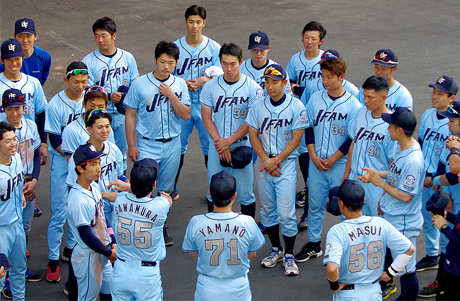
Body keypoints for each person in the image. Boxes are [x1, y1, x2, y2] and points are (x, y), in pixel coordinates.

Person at [294, 57, 361, 262]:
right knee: (314, 204)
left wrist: (332, 159)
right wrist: (312, 154)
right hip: (317, 163)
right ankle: (314, 243)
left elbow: (352, 138)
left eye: (329, 77)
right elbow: (309, 127)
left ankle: (349, 246)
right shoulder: (315, 99)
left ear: (341, 77)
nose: (325, 81)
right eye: (323, 76)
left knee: (343, 208)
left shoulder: (353, 105)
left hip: (339, 165)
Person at [124, 40, 191, 245]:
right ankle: (144, 228)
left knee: (166, 189)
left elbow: (186, 115)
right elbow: (130, 114)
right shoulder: (140, 84)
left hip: (173, 143)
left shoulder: (179, 85)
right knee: (144, 187)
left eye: (171, 63)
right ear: (155, 59)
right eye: (162, 61)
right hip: (147, 142)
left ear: (176, 63)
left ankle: (160, 227)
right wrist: (131, 144)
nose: (166, 66)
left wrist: (172, 96)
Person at [246, 64, 307, 276]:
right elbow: (253, 135)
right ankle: (276, 250)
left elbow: (297, 137)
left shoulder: (296, 106)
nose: (269, 86)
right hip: (263, 164)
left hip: (286, 164)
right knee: (268, 210)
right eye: (267, 82)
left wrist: (277, 160)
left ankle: (289, 254)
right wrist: (265, 159)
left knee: (286, 212)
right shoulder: (257, 106)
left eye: (274, 82)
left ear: (284, 83)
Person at [358, 107, 423, 300]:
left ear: (400, 130)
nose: (387, 128)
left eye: (391, 125)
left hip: (403, 220)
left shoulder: (413, 160)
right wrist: (378, 173)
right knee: (397, 260)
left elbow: (406, 196)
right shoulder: (400, 146)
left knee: (406, 267)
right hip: (392, 213)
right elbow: (396, 174)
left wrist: (381, 184)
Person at [323, 179, 415, 301]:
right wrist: (390, 273)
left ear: (341, 204)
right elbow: (409, 249)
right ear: (364, 201)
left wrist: (334, 286)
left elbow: (332, 268)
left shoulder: (337, 231)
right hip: (374, 292)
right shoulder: (381, 223)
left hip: (348, 294)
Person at [182, 171, 265, 301]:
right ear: (234, 196)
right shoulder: (247, 222)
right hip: (237, 287)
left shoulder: (196, 222)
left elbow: (193, 253)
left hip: (207, 286)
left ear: (210, 194)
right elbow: (252, 253)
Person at [201, 43, 262, 216]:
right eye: (224, 63)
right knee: (214, 190)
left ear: (241, 62)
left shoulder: (252, 88)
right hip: (217, 146)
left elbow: (251, 122)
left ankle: (248, 232)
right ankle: (214, 227)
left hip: (241, 146)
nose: (228, 68)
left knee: (245, 194)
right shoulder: (210, 86)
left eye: (233, 63)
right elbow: (206, 117)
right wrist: (220, 143)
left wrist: (228, 141)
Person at [44, 62, 89, 282]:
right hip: (63, 163)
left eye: (84, 82)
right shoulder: (55, 105)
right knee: (60, 213)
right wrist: (74, 158)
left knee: (77, 210)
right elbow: (54, 139)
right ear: (66, 81)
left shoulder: (88, 100)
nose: (81, 86)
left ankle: (69, 251)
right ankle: (53, 261)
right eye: (76, 82)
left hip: (84, 165)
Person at [173, 5, 221, 201]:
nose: (194, 26)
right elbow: (167, 75)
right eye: (191, 21)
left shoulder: (214, 47)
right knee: (177, 147)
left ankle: (215, 189)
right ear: (185, 22)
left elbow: (223, 75)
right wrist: (181, 84)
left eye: (198, 22)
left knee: (210, 147)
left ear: (204, 23)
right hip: (182, 104)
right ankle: (170, 187)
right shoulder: (175, 47)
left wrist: (203, 80)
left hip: (205, 104)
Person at [83, 16, 139, 173]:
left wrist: (125, 95)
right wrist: (107, 97)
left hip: (122, 116)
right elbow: (86, 91)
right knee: (100, 154)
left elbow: (135, 84)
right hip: (99, 116)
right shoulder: (89, 61)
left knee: (120, 154)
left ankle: (120, 185)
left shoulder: (127, 58)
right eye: (96, 36)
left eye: (104, 35)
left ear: (114, 36)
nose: (100, 40)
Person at [111, 158, 172, 301]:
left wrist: (128, 187)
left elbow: (128, 193)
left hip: (121, 270)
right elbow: (166, 200)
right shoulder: (160, 206)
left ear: (130, 181)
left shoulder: (120, 200)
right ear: (154, 184)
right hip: (147, 276)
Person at [0, 89, 42, 290]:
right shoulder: (4, 130)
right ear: (4, 110)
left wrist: (34, 181)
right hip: (8, 194)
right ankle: (5, 275)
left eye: (18, 108)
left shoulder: (31, 126)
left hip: (26, 183)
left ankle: (19, 267)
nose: (15, 112)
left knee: (25, 227)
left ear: (24, 107)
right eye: (10, 109)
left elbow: (35, 155)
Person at [418, 101, 460, 298]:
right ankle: (442, 281)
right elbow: (444, 169)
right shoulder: (451, 140)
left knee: (452, 243)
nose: (449, 123)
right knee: (447, 246)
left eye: (453, 120)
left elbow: (454, 173)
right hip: (455, 205)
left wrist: (454, 150)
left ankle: (444, 283)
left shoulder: (454, 145)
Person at [285, 21, 326, 222]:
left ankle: (311, 212)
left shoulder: (327, 59)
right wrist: (295, 88)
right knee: (306, 164)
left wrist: (300, 89)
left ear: (321, 41)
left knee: (316, 168)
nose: (309, 42)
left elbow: (331, 85)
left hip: (322, 117)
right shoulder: (295, 59)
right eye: (306, 37)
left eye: (314, 39)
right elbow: (289, 83)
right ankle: (309, 205)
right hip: (301, 115)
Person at [66, 143, 117, 301]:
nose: (98, 168)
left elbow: (102, 217)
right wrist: (109, 253)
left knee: (110, 291)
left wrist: (113, 240)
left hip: (103, 250)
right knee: (88, 297)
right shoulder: (77, 200)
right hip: (88, 256)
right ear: (80, 168)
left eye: (99, 162)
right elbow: (86, 235)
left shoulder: (94, 187)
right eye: (93, 164)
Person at [416, 76, 457, 272]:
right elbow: (421, 142)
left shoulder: (455, 124)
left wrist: (439, 180)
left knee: (445, 219)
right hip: (425, 175)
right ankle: (432, 254)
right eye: (434, 92)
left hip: (443, 179)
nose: (434, 96)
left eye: (440, 93)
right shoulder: (427, 115)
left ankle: (447, 258)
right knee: (428, 217)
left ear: (451, 98)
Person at [343, 76, 396, 216]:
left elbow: (393, 163)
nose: (365, 100)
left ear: (383, 97)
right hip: (355, 179)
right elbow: (353, 144)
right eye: (364, 96)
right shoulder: (360, 113)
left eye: (370, 97)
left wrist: (385, 193)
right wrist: (346, 176)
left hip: (377, 184)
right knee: (354, 224)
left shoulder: (392, 125)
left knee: (377, 227)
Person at [0, 38, 47, 166]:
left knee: (28, 180)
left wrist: (43, 142)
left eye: (17, 59)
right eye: (9, 59)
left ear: (22, 58)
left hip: (28, 141)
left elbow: (41, 113)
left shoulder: (33, 83)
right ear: (2, 60)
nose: (14, 63)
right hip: (3, 144)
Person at [0, 121, 26, 301]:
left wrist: (21, 195)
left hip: (17, 224)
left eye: (14, 139)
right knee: (0, 277)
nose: (13, 143)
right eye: (8, 141)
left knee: (19, 270)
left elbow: (19, 182)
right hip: (1, 231)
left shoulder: (16, 158)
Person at [61, 85, 114, 159]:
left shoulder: (107, 129)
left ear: (106, 107)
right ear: (84, 104)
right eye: (92, 106)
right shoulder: (71, 130)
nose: (95, 110)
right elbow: (72, 164)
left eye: (100, 107)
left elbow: (111, 155)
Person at [0, 18, 51, 86]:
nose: (25, 40)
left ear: (35, 36)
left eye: (28, 36)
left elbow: (40, 85)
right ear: (14, 36)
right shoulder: (5, 61)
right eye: (20, 36)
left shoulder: (44, 57)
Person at [240, 31, 292, 96]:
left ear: (268, 48)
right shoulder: (240, 68)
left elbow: (287, 96)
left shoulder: (278, 70)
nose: (258, 53)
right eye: (254, 49)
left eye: (262, 50)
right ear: (249, 48)